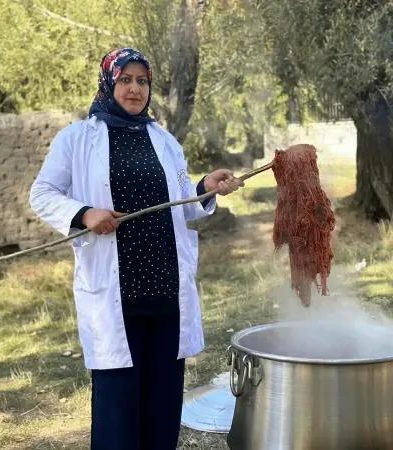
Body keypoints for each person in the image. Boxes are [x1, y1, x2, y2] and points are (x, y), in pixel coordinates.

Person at [29, 48, 244, 450]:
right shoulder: (77, 139)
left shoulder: (165, 142)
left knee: (162, 413)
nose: (134, 88)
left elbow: (185, 206)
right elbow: (41, 194)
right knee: (117, 417)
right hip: (116, 298)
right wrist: (84, 213)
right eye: (125, 79)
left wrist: (205, 189)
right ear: (109, 83)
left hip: (165, 295)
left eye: (142, 81)